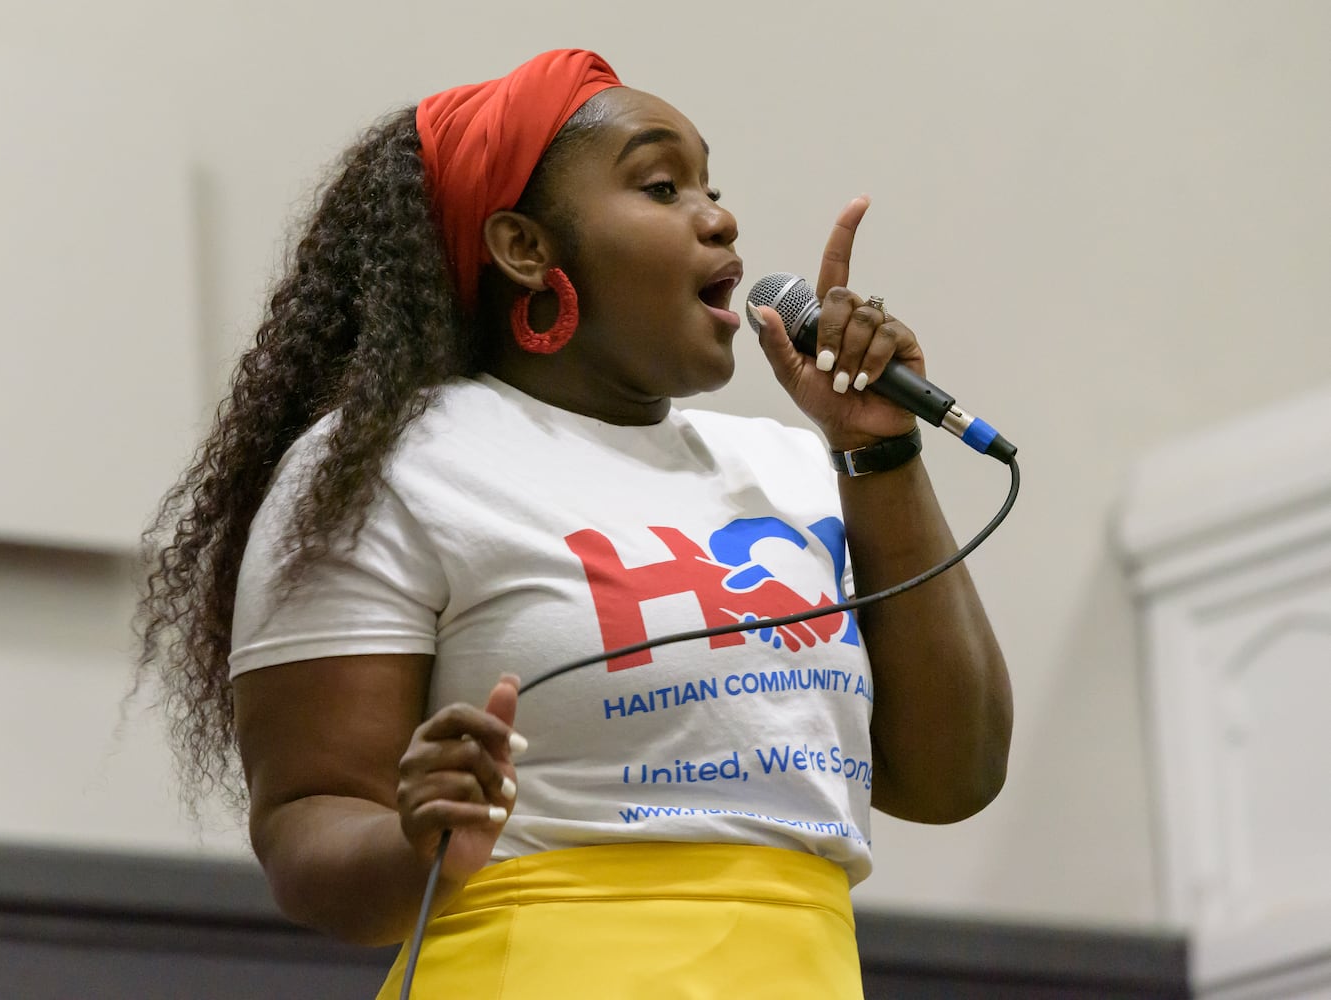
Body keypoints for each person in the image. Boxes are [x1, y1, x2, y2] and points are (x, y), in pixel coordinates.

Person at [137, 48, 1012, 999]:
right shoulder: (392, 462)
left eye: (712, 187)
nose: (718, 216)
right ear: (526, 248)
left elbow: (951, 778)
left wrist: (878, 450)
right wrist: (413, 840)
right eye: (662, 185)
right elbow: (307, 821)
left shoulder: (792, 466)